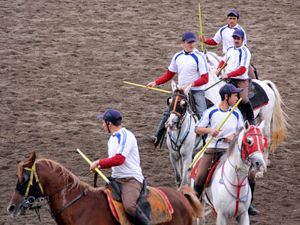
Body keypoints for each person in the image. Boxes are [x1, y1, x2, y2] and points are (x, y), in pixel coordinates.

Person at [147, 31, 209, 147]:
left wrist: (191, 84)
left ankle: (208, 142)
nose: (191, 44)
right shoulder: (177, 56)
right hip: (181, 92)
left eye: (193, 42)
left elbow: (205, 78)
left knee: (202, 113)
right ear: (182, 43)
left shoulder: (200, 57)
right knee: (168, 113)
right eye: (188, 42)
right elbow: (169, 74)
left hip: (196, 91)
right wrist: (156, 82)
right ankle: (157, 137)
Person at [90, 109, 150, 225]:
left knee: (129, 207)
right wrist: (100, 165)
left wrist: (99, 163)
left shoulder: (125, 136)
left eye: (103, 122)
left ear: (109, 124)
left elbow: (119, 159)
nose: (102, 125)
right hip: (116, 179)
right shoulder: (112, 138)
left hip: (131, 180)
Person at [193, 83, 244, 199]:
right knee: (200, 176)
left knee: (248, 173)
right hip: (213, 148)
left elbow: (242, 131)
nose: (237, 98)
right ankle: (195, 201)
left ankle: (249, 203)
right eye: (235, 96)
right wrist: (210, 130)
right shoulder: (211, 112)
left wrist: (234, 136)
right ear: (226, 97)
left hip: (231, 150)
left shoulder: (236, 113)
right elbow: (197, 129)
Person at [215, 29, 255, 125]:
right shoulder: (230, 49)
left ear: (242, 39)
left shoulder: (245, 52)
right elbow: (223, 61)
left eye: (238, 38)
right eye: (234, 38)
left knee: (244, 99)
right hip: (228, 79)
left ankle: (251, 119)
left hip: (240, 80)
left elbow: (242, 69)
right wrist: (218, 69)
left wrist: (228, 75)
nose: (236, 40)